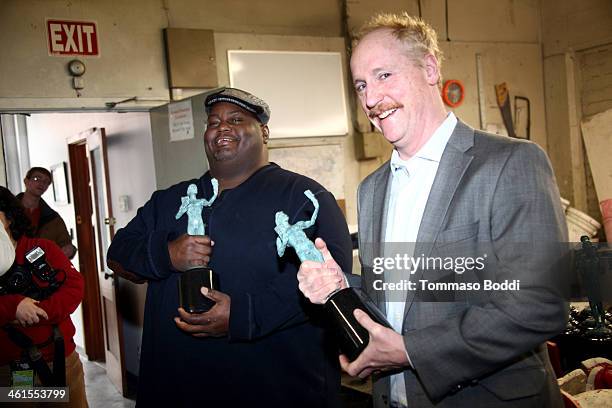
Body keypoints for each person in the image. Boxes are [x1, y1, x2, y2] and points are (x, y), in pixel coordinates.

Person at [297, 12, 568, 408]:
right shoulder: (372, 190)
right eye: (361, 85)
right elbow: (396, 300)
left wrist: (411, 351)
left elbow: (538, 304)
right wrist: (341, 287)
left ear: (429, 68)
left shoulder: (510, 163)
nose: (371, 100)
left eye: (384, 75)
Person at [106, 87, 353, 407]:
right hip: (176, 388)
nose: (222, 127)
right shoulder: (169, 201)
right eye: (213, 122)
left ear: (264, 132)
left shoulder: (303, 198)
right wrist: (166, 254)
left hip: (274, 389)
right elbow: (118, 254)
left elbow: (335, 282)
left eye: (236, 119)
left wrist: (244, 315)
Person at [0, 186, 87, 407]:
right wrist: (13, 307)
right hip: (15, 369)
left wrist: (38, 313)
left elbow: (74, 287)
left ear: (8, 218)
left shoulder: (41, 248)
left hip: (59, 362)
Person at [18, 167, 77, 259]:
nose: (41, 184)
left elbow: (65, 243)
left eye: (46, 182)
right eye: (37, 179)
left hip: (41, 267)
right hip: (10, 265)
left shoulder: (53, 218)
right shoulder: (7, 210)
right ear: (26, 181)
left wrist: (70, 249)